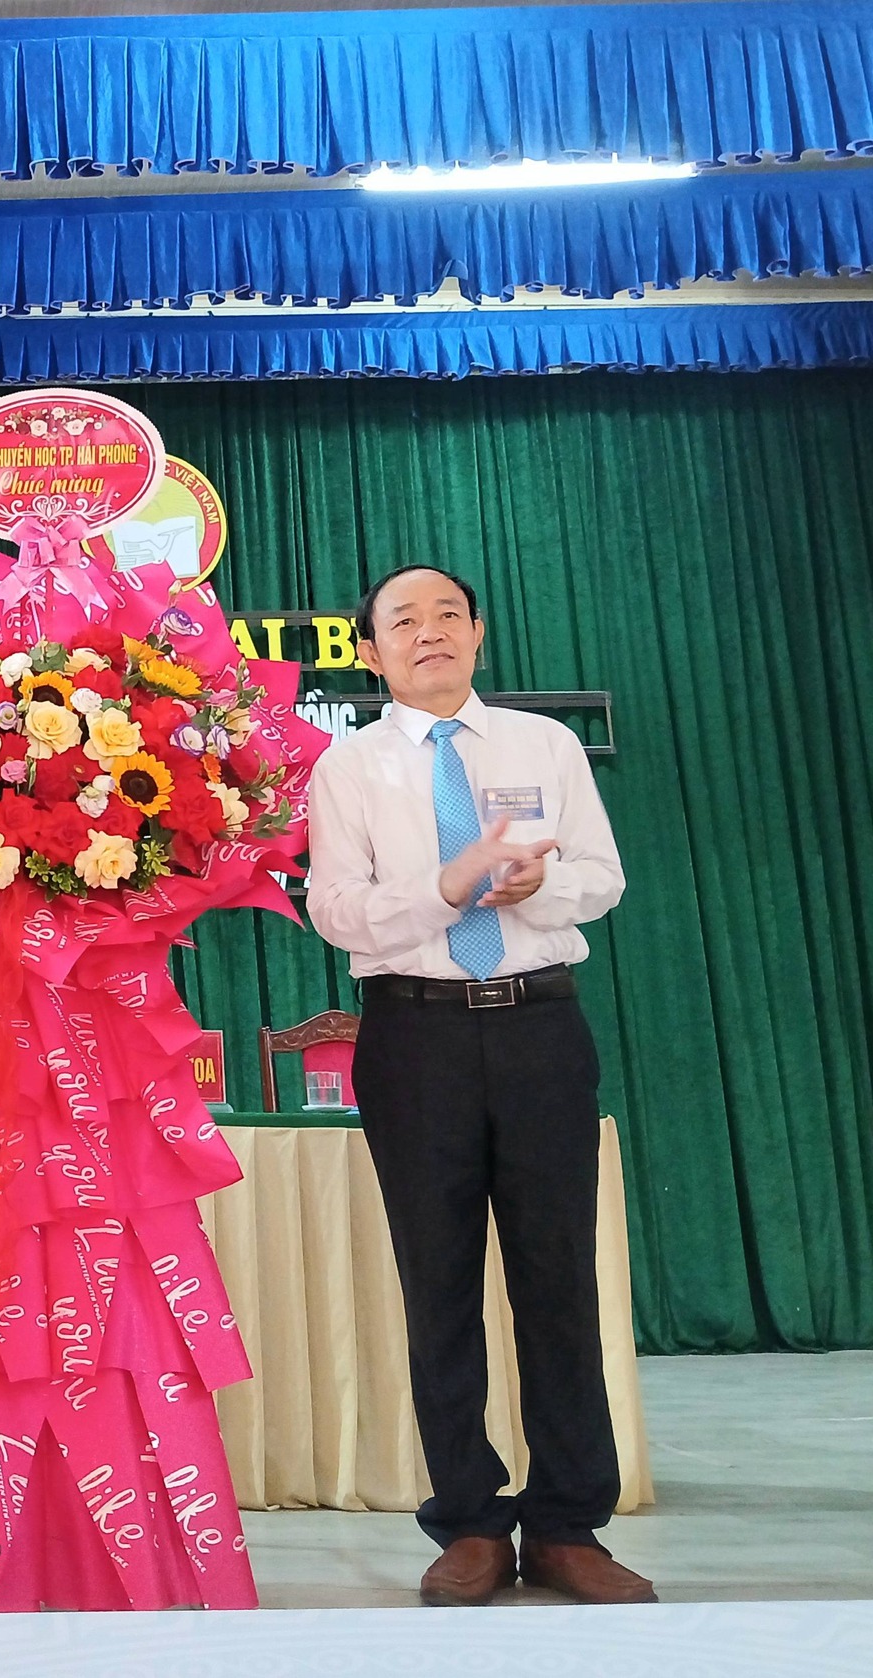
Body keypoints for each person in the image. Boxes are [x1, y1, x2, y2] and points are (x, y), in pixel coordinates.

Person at [306, 565, 652, 1608]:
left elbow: (602, 876)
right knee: (439, 1283)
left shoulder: (542, 746)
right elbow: (335, 909)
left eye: (448, 615)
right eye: (403, 621)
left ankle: (566, 1527)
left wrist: (547, 883)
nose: (430, 633)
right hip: (414, 1039)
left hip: (541, 1025)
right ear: (370, 651)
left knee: (559, 1279)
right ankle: (467, 1520)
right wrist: (442, 888)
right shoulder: (348, 767)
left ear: (477, 634)